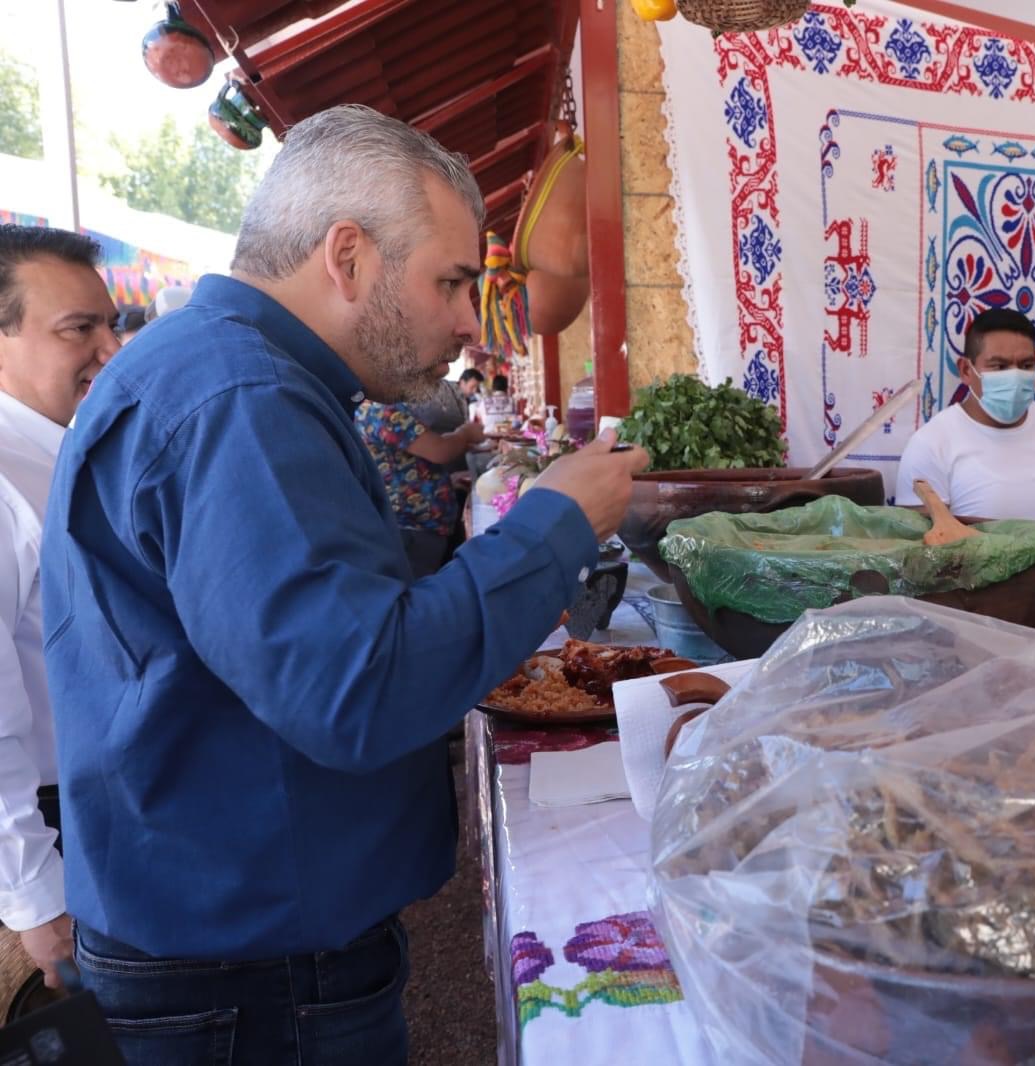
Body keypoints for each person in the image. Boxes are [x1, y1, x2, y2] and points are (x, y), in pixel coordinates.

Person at [43, 105, 648, 1064]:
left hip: (232, 930)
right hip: (251, 966)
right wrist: (555, 522)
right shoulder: (241, 399)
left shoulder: (224, 374)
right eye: (451, 282)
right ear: (348, 255)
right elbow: (360, 688)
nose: (464, 319)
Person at [0, 225, 119, 989]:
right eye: (80, 330)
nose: (109, 349)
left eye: (110, 324)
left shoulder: (58, 452)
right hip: (55, 830)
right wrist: (36, 895)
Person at [895, 307, 1035, 546]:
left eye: (1025, 365)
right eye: (999, 366)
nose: (1014, 377)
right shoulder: (931, 445)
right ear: (965, 370)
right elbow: (917, 551)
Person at [356, 399, 485, 577]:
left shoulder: (372, 409)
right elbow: (440, 450)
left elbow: (407, 456)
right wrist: (465, 433)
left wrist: (444, 481)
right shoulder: (382, 410)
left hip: (415, 526)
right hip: (414, 529)